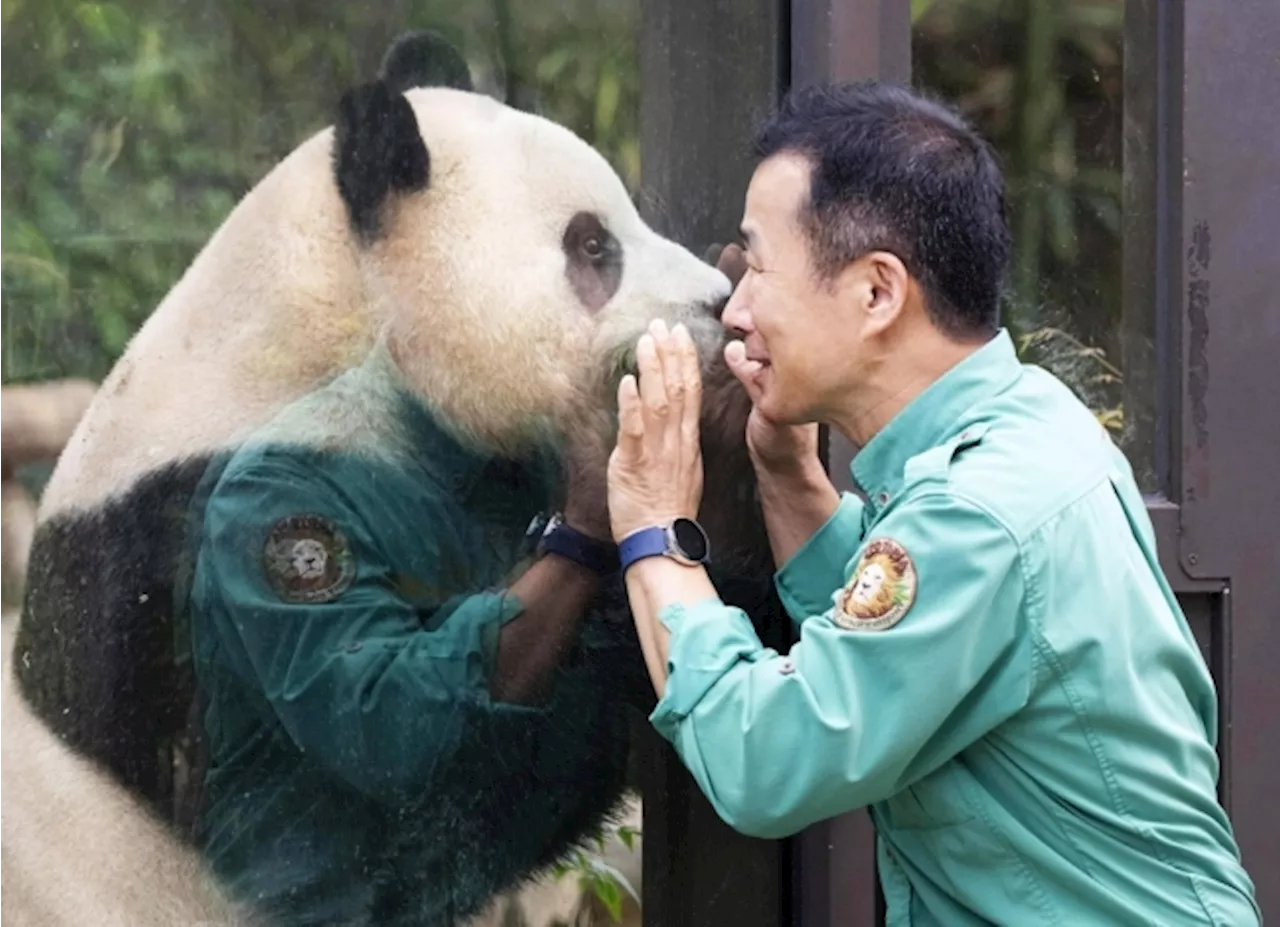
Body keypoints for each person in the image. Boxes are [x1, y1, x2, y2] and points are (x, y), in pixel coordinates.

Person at [605, 81, 1261, 925]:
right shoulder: (1029, 421)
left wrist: (655, 526)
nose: (735, 308)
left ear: (877, 292)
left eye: (758, 265)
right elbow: (914, 645)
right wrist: (787, 473)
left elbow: (764, 758)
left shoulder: (979, 511)